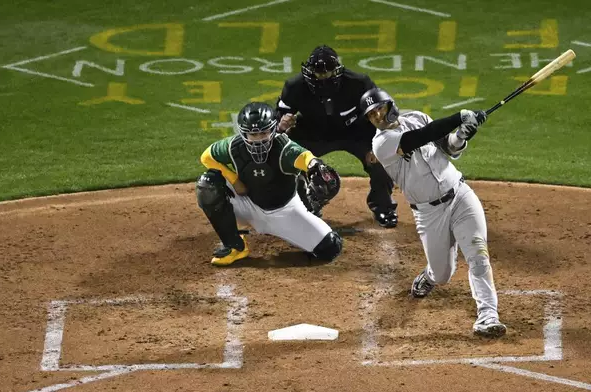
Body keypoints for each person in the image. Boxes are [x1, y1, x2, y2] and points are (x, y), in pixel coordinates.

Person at [359, 87, 506, 338]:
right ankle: (429, 275)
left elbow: (447, 147)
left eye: (379, 110)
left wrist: (462, 135)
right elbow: (423, 136)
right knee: (442, 274)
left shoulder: (416, 117)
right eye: (371, 115)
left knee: (478, 256)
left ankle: (488, 315)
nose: (378, 117)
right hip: (429, 214)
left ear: (390, 105)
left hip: (460, 196)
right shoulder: (381, 143)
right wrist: (460, 116)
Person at [196, 101, 343, 266]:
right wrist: (234, 180)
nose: (258, 140)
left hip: (285, 212)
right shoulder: (234, 146)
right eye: (253, 135)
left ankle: (305, 214)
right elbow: (207, 157)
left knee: (330, 248)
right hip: (247, 205)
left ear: (273, 130)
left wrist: (314, 165)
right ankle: (235, 246)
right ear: (243, 133)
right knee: (207, 184)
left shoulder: (284, 149)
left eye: (264, 133)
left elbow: (305, 157)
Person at [275, 45, 398, 228]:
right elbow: (278, 116)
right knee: (286, 157)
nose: (322, 77)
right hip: (313, 134)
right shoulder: (295, 86)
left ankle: (383, 207)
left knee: (381, 160)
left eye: (327, 73)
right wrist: (281, 123)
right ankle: (302, 206)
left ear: (337, 71)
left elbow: (381, 112)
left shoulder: (359, 82)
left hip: (357, 133)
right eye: (318, 73)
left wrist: (378, 142)